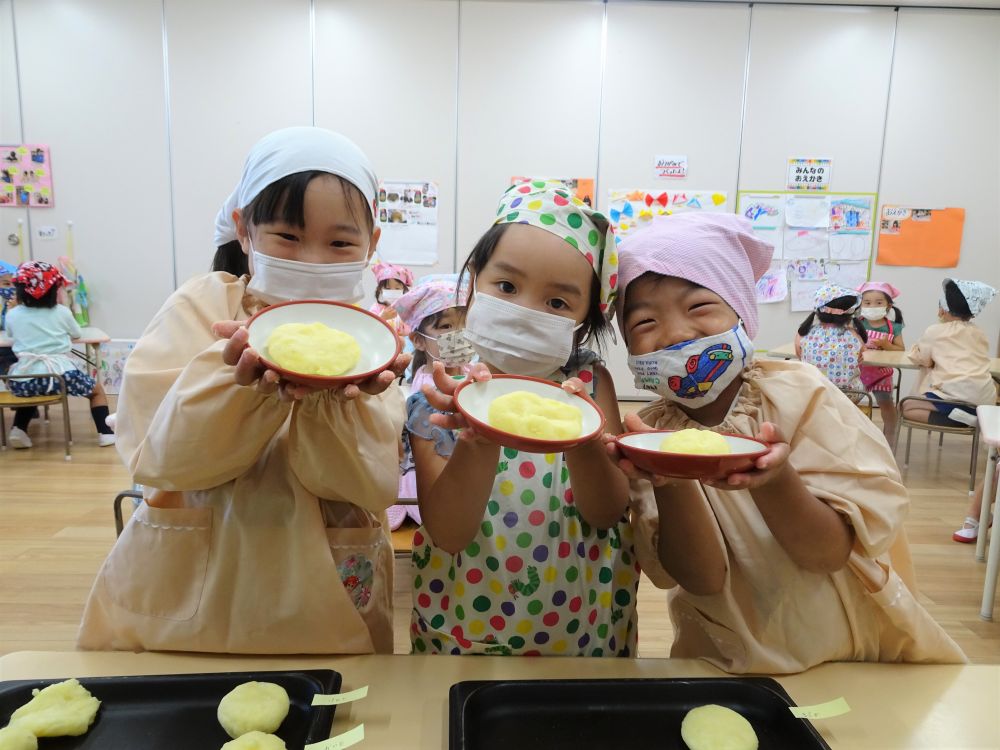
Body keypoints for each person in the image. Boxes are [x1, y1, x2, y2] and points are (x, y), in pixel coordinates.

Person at [78, 127, 410, 654]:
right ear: (244, 230)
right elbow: (157, 457)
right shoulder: (202, 308)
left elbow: (371, 486)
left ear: (372, 243)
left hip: (325, 592)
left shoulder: (371, 338)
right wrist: (238, 386)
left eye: (340, 242)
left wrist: (338, 405)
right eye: (287, 237)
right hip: (193, 592)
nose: (313, 261)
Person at [611, 213, 964, 673]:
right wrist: (669, 479)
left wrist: (774, 480)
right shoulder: (648, 437)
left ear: (742, 311)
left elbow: (826, 553)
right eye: (644, 323)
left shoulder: (801, 395)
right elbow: (701, 577)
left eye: (699, 307)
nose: (676, 333)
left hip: (841, 652)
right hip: (726, 659)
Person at [409, 183, 641, 656]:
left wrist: (583, 437)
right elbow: (449, 534)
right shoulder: (441, 392)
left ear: (584, 318)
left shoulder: (592, 386)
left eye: (557, 303)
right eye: (507, 287)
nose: (524, 311)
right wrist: (477, 439)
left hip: (580, 631)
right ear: (474, 279)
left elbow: (607, 512)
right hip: (467, 627)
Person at [388, 274, 472, 530]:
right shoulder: (421, 393)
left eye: (464, 325)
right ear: (418, 340)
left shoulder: (476, 373)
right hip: (438, 487)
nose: (457, 335)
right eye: (446, 327)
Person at [4, 261, 114, 449]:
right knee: (96, 391)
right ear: (54, 290)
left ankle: (18, 429)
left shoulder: (13, 315)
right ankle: (106, 433)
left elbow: (11, 334)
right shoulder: (62, 312)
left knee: (33, 391)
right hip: (60, 377)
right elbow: (76, 334)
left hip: (23, 377)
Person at [902, 278, 997, 429]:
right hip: (984, 397)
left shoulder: (936, 330)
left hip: (955, 395)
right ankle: (968, 417)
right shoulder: (979, 332)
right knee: (924, 403)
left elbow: (922, 359)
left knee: (906, 406)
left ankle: (960, 420)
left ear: (942, 310)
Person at [857, 281, 905, 447]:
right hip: (858, 373)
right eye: (867, 303)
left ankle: (890, 433)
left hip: (881, 374)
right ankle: (855, 432)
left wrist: (886, 346)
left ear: (888, 305)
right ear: (860, 304)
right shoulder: (857, 323)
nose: (872, 306)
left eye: (878, 302)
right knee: (851, 402)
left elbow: (901, 350)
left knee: (885, 403)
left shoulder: (894, 327)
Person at [794, 284, 866, 394]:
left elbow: (801, 357)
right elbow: (858, 359)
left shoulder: (803, 333)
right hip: (847, 395)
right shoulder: (854, 335)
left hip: (812, 393)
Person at [369, 260, 414, 337]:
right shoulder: (376, 308)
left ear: (403, 290)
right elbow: (369, 328)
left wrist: (404, 331)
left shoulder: (404, 308)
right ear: (380, 290)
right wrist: (382, 318)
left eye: (397, 288)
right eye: (388, 288)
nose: (393, 291)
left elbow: (412, 327)